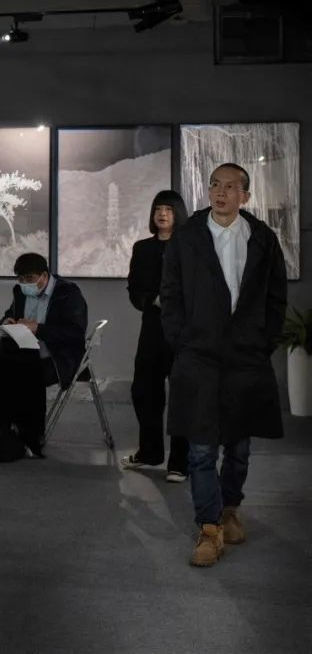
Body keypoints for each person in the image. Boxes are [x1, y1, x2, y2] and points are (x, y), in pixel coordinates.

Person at [160, 163, 286, 568]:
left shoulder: (262, 238)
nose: (220, 192)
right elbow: (170, 294)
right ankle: (209, 527)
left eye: (230, 187)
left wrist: (262, 343)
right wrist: (181, 340)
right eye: (215, 184)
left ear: (244, 196)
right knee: (200, 449)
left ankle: (230, 508)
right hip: (198, 356)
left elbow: (276, 298)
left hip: (245, 359)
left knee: (239, 447)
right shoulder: (187, 237)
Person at [121, 190, 190, 482]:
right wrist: (152, 299)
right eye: (158, 209)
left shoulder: (191, 247)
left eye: (168, 209)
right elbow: (134, 288)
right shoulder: (142, 248)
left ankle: (180, 462)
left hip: (183, 332)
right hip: (151, 328)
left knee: (183, 396)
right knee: (144, 391)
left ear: (178, 213)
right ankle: (150, 452)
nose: (162, 214)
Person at [0, 253, 87, 457]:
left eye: (29, 278)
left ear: (44, 276)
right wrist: (7, 322)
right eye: (20, 279)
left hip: (58, 358)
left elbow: (75, 333)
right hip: (25, 352)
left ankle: (31, 435)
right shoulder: (20, 291)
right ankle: (6, 429)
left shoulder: (67, 293)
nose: (24, 284)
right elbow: (9, 314)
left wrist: (39, 328)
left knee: (23, 374)